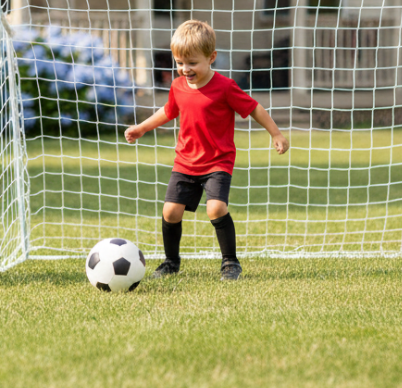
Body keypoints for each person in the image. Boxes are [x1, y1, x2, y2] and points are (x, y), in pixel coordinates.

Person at [124, 20, 289, 281]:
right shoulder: (178, 86)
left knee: (215, 208)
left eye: (192, 63)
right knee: (170, 212)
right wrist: (142, 128)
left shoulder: (225, 87)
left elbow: (254, 107)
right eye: (179, 62)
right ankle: (170, 262)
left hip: (217, 162)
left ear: (211, 58)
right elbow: (168, 111)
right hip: (185, 161)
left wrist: (276, 133)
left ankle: (230, 263)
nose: (184, 69)